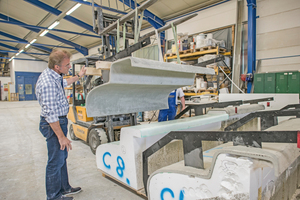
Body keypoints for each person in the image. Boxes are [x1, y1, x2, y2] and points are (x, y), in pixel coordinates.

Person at [36, 49, 86, 200]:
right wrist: (61, 136)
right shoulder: (48, 83)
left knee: (62, 158)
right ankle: (53, 196)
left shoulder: (55, 76)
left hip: (60, 120)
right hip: (54, 124)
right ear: (57, 67)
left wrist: (79, 76)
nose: (69, 67)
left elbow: (64, 82)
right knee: (55, 161)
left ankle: (64, 188)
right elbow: (50, 115)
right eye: (67, 65)